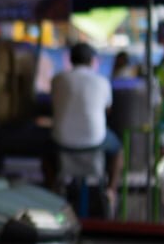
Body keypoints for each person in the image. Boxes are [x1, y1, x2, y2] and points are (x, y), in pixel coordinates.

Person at [50, 43, 121, 205]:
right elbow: (107, 109)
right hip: (95, 140)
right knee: (118, 151)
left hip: (61, 141)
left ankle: (51, 188)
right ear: (92, 61)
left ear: (70, 60)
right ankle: (111, 191)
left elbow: (54, 104)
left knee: (45, 152)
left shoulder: (58, 79)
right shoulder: (102, 81)